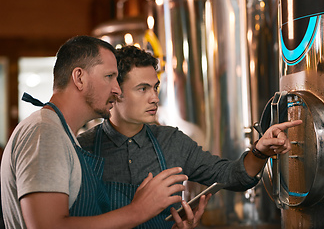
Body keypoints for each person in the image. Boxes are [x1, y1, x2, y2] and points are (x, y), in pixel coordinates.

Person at [77, 46, 302, 227]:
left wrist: (259, 151)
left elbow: (230, 175)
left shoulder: (172, 141)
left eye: (155, 88)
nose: (154, 98)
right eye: (143, 89)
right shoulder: (82, 147)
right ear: (115, 91)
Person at [1, 36, 207, 229]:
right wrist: (138, 211)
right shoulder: (45, 133)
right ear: (79, 78)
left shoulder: (63, 135)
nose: (117, 90)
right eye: (109, 76)